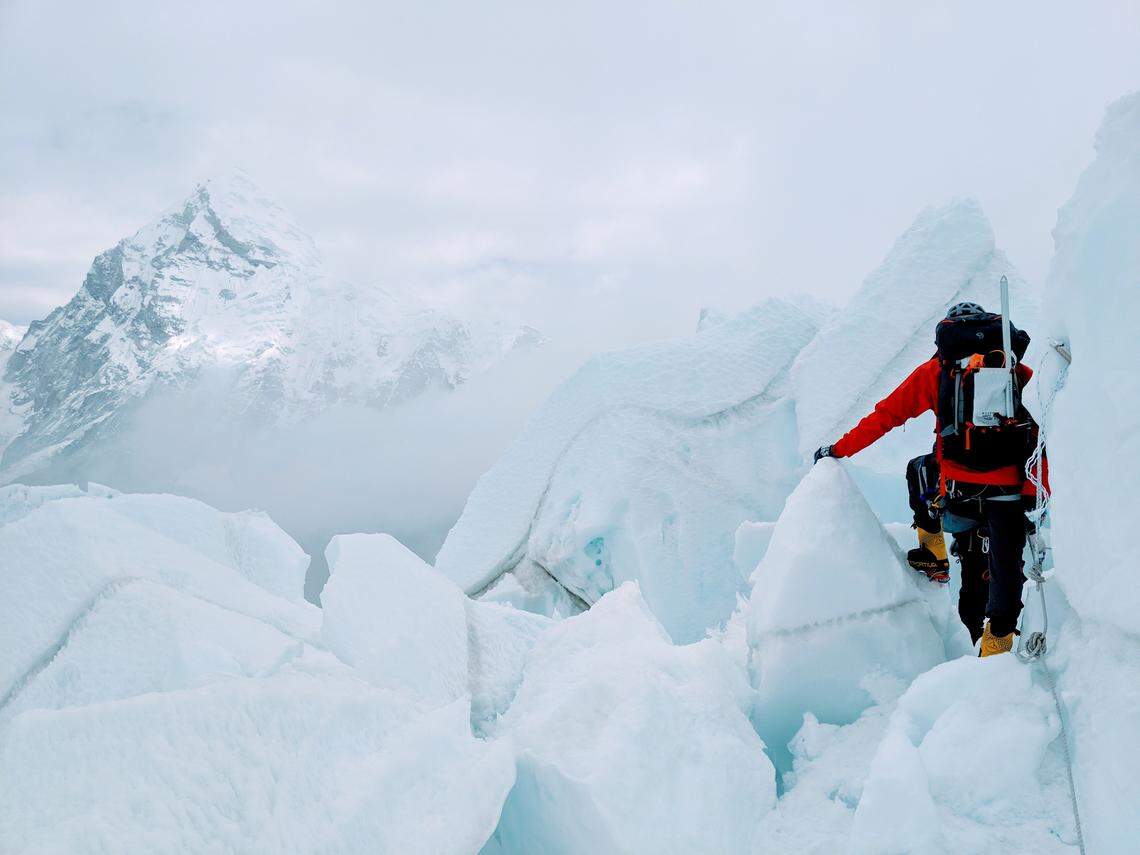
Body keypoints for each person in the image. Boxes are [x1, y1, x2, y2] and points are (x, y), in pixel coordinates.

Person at [813, 301, 1042, 657]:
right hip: (1009, 491)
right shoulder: (1018, 372)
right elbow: (1040, 432)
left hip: (958, 488)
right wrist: (1035, 491)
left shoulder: (937, 371)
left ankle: (933, 552)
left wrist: (838, 451)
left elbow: (885, 416)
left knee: (917, 468)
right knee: (1006, 565)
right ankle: (998, 645)